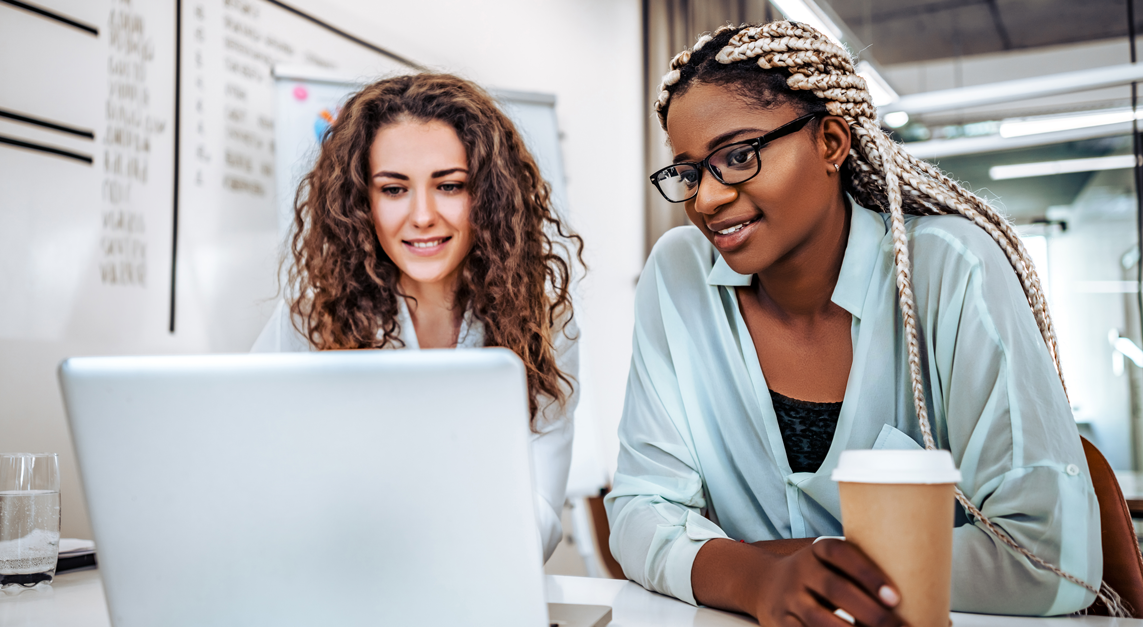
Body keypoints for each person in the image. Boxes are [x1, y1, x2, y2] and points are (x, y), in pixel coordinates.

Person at [605, 20, 1105, 624]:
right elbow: (639, 509)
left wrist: (794, 567)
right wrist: (759, 580)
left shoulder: (951, 267)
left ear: (831, 144)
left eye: (737, 157)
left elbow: (1048, 561)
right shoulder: (678, 274)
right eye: (688, 172)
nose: (706, 199)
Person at [253, 73, 583, 563]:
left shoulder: (544, 322)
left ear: (489, 196)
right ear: (361, 202)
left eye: (449, 186)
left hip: (479, 586)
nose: (423, 215)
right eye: (393, 189)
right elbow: (255, 473)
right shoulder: (312, 314)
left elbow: (537, 514)